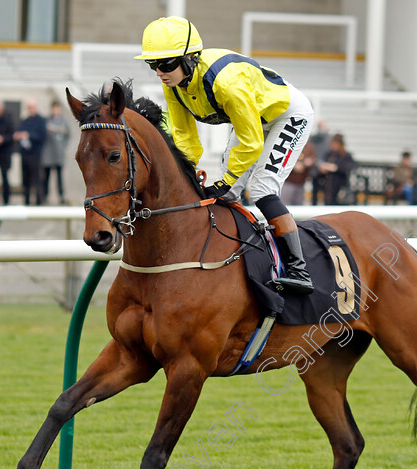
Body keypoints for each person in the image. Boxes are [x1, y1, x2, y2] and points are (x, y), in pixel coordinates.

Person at [135, 16, 315, 294]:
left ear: (191, 58)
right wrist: (187, 172)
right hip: (254, 119)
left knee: (261, 188)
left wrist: (227, 178)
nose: (160, 72)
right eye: (153, 65)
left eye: (166, 64)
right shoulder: (174, 84)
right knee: (228, 193)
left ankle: (298, 269)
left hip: (287, 115)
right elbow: (185, 136)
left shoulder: (226, 82)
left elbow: (251, 139)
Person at [14, 99, 47, 205]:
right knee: (26, 179)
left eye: (32, 107)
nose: (31, 110)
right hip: (25, 153)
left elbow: (42, 136)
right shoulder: (25, 121)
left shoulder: (41, 121)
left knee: (37, 178)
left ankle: (39, 200)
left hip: (36, 153)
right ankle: (26, 200)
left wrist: (29, 135)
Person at [42, 99, 70, 205]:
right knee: (46, 176)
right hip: (48, 152)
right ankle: (44, 196)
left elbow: (67, 136)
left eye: (57, 108)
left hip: (59, 153)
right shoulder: (47, 120)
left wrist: (63, 146)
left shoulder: (63, 121)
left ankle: (61, 196)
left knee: (59, 177)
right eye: (54, 108)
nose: (55, 110)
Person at [318, 133, 355, 205]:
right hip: (328, 185)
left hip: (339, 184)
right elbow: (322, 163)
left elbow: (348, 168)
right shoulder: (329, 154)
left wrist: (336, 167)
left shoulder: (345, 156)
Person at [281, 140, 314, 206]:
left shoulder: (308, 145)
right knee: (285, 205)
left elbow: (313, 158)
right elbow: (281, 158)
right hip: (288, 181)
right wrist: (293, 166)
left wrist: (308, 162)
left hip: (301, 182)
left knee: (298, 206)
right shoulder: (288, 142)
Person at [309, 119, 331, 206]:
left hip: (326, 170)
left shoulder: (329, 140)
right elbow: (313, 154)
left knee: (327, 192)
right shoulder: (314, 139)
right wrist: (319, 164)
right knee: (315, 192)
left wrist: (326, 166)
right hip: (316, 169)